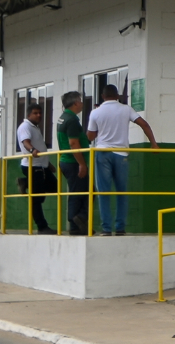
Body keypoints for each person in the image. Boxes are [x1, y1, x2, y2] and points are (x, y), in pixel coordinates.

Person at [86, 84, 159, 235]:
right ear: (117, 96)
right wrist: (153, 143)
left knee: (104, 192)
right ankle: (120, 228)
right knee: (122, 192)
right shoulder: (126, 109)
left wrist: (101, 125)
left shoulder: (95, 112)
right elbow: (144, 124)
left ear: (102, 96)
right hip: (122, 154)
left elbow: (90, 136)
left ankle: (106, 229)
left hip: (102, 153)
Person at [17, 103, 57, 234]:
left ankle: (25, 182)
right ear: (29, 114)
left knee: (55, 188)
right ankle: (42, 227)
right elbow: (25, 142)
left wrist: (49, 164)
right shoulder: (25, 126)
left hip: (42, 166)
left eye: (40, 113)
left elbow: (40, 145)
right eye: (35, 113)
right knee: (36, 198)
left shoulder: (35, 128)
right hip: (32, 166)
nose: (38, 115)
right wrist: (32, 149)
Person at [56, 91, 90, 235]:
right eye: (80, 100)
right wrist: (82, 164)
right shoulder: (72, 120)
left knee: (80, 192)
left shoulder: (63, 118)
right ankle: (76, 221)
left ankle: (78, 223)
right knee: (82, 193)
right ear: (75, 102)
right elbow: (73, 143)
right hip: (73, 162)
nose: (82, 103)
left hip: (66, 160)